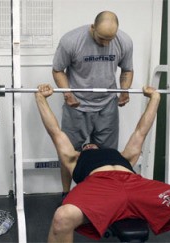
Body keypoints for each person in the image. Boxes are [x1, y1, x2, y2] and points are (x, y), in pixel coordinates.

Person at [35, 84, 170, 243]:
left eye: (92, 144)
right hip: (98, 187)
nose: (89, 144)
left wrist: (155, 98)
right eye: (85, 146)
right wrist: (40, 98)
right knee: (62, 217)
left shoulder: (123, 157)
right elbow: (55, 132)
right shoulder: (74, 158)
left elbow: (141, 131)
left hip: (136, 184)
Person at [52, 10, 134, 195]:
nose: (106, 43)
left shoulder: (124, 41)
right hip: (77, 105)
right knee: (68, 153)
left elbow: (127, 70)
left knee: (108, 154)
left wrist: (124, 90)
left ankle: (105, 195)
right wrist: (67, 93)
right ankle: (67, 193)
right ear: (92, 27)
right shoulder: (71, 41)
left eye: (110, 39)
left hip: (107, 105)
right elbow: (58, 70)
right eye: (102, 38)